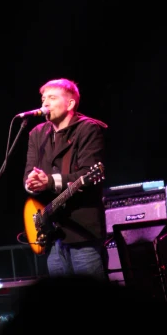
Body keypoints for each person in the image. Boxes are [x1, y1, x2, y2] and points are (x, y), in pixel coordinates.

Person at [23, 77, 108, 279]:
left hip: (82, 231)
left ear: (69, 104)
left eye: (52, 98)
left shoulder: (88, 129)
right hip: (52, 232)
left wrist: (50, 182)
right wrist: (31, 183)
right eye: (43, 99)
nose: (45, 104)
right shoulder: (36, 134)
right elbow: (29, 174)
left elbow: (89, 172)